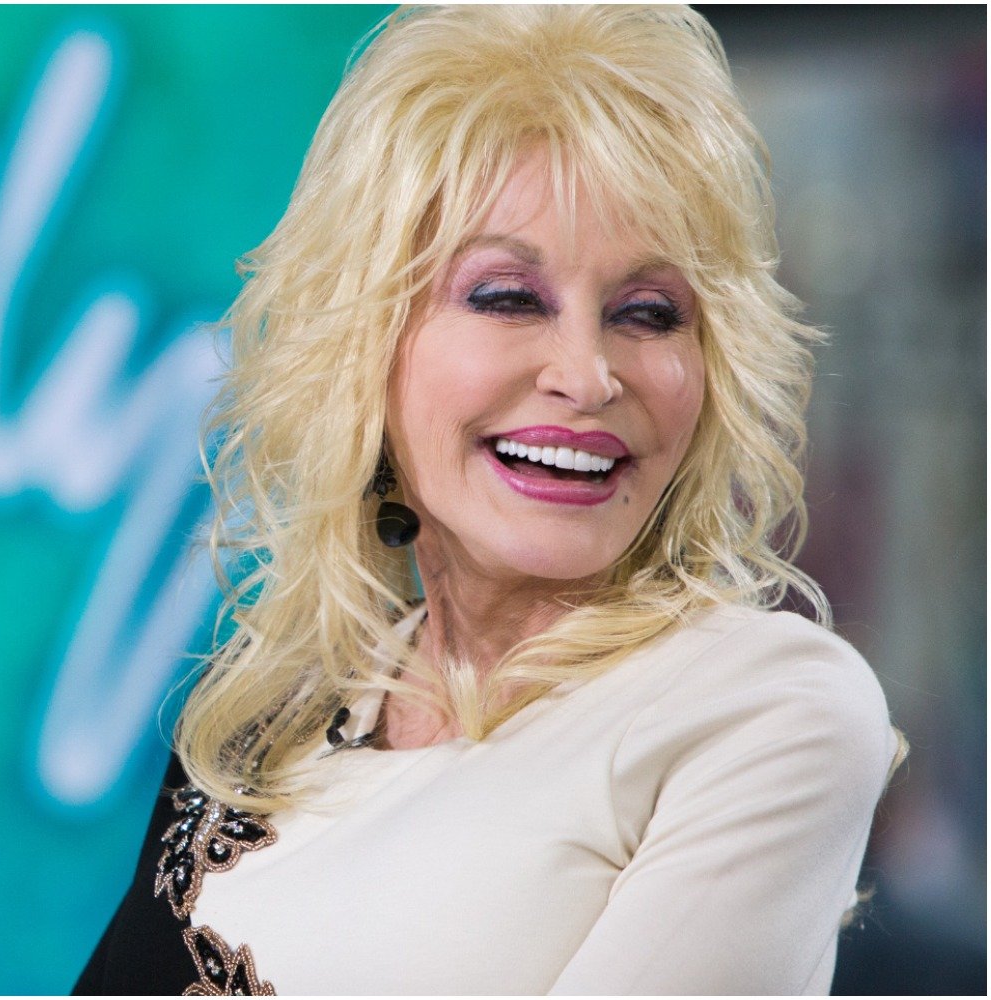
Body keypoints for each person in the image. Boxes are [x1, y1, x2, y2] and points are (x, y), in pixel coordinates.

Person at [74, 6, 901, 995]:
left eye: (647, 313)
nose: (586, 374)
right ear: (365, 342)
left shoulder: (764, 706)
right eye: (506, 296)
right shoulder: (261, 724)